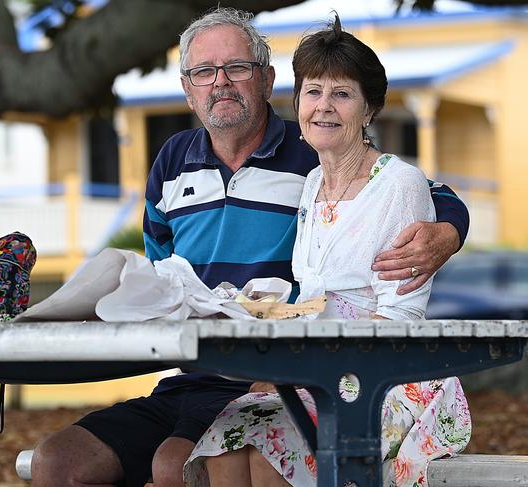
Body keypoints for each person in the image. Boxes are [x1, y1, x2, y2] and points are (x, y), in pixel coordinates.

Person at [31, 8, 469, 487]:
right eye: (204, 71)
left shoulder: (313, 153)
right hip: (196, 374)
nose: (220, 82)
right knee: (57, 462)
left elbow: (417, 194)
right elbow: (161, 284)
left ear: (267, 80)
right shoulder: (178, 163)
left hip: (285, 371)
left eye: (237, 68)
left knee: (181, 463)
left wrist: (448, 230)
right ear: (187, 87)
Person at [183, 13, 470, 487]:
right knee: (229, 439)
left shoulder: (399, 184)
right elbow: (314, 299)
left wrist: (306, 372)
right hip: (320, 369)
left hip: (386, 376)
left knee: (270, 450)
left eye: (342, 94)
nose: (324, 107)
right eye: (313, 92)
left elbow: (400, 319)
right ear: (297, 101)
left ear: (369, 109)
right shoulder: (314, 183)